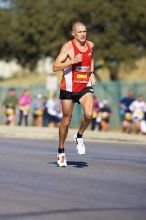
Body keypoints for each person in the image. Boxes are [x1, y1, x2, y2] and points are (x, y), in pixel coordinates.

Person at [53, 21, 96, 167]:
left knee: (89, 114)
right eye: (80, 32)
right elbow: (55, 66)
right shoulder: (67, 47)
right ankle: (61, 150)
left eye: (84, 31)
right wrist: (71, 61)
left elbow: (91, 58)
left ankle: (79, 136)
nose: (83, 34)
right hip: (69, 88)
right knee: (66, 120)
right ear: (74, 34)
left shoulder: (90, 45)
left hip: (84, 86)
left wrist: (92, 73)